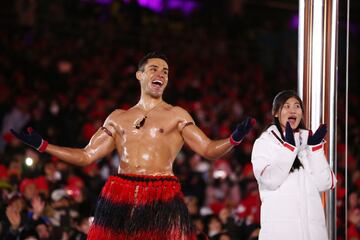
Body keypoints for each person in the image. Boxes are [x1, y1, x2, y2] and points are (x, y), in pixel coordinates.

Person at [11, 52, 255, 240]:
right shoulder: (118, 118)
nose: (161, 74)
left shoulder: (177, 115)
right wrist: (45, 146)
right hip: (121, 193)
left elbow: (208, 150)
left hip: (161, 194)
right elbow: (86, 156)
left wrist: (233, 139)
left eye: (166, 71)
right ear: (140, 75)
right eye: (154, 69)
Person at [251, 90, 336, 240]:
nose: (293, 110)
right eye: (287, 106)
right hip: (280, 233)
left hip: (314, 234)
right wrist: (289, 149)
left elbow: (326, 183)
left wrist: (315, 149)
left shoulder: (308, 142)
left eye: (297, 106)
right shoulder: (264, 143)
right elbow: (269, 180)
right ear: (276, 113)